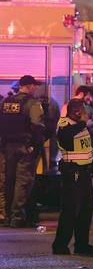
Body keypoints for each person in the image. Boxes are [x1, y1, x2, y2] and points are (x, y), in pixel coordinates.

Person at [51, 99, 93, 255]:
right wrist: (83, 123)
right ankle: (60, 245)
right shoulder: (65, 124)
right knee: (70, 210)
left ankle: (82, 244)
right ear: (77, 111)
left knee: (85, 210)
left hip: (84, 172)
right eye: (83, 110)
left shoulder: (80, 126)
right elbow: (64, 137)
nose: (85, 113)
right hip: (72, 172)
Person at [0, 75, 45, 227]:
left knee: (8, 181)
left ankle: (6, 215)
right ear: (28, 86)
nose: (36, 88)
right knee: (23, 181)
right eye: (34, 85)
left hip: (7, 147)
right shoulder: (32, 104)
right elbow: (37, 126)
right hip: (24, 147)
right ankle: (16, 216)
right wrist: (35, 146)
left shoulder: (6, 102)